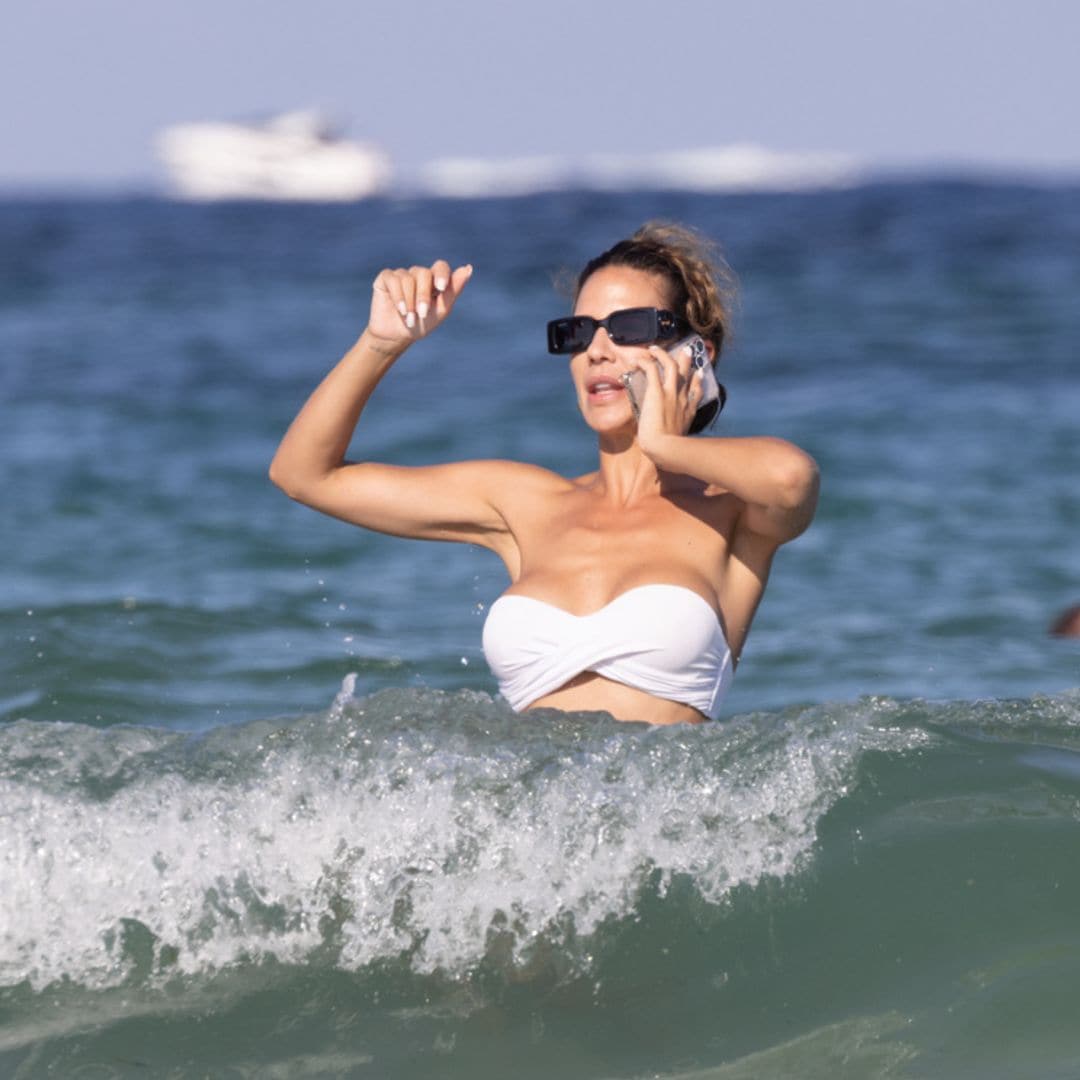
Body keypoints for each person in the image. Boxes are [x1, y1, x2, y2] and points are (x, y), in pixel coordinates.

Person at [270, 223, 819, 725]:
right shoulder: (524, 501)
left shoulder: (732, 513)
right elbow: (304, 474)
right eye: (579, 333)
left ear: (695, 355)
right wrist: (382, 343)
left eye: (628, 328)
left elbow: (793, 478)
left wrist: (663, 445)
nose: (597, 352)